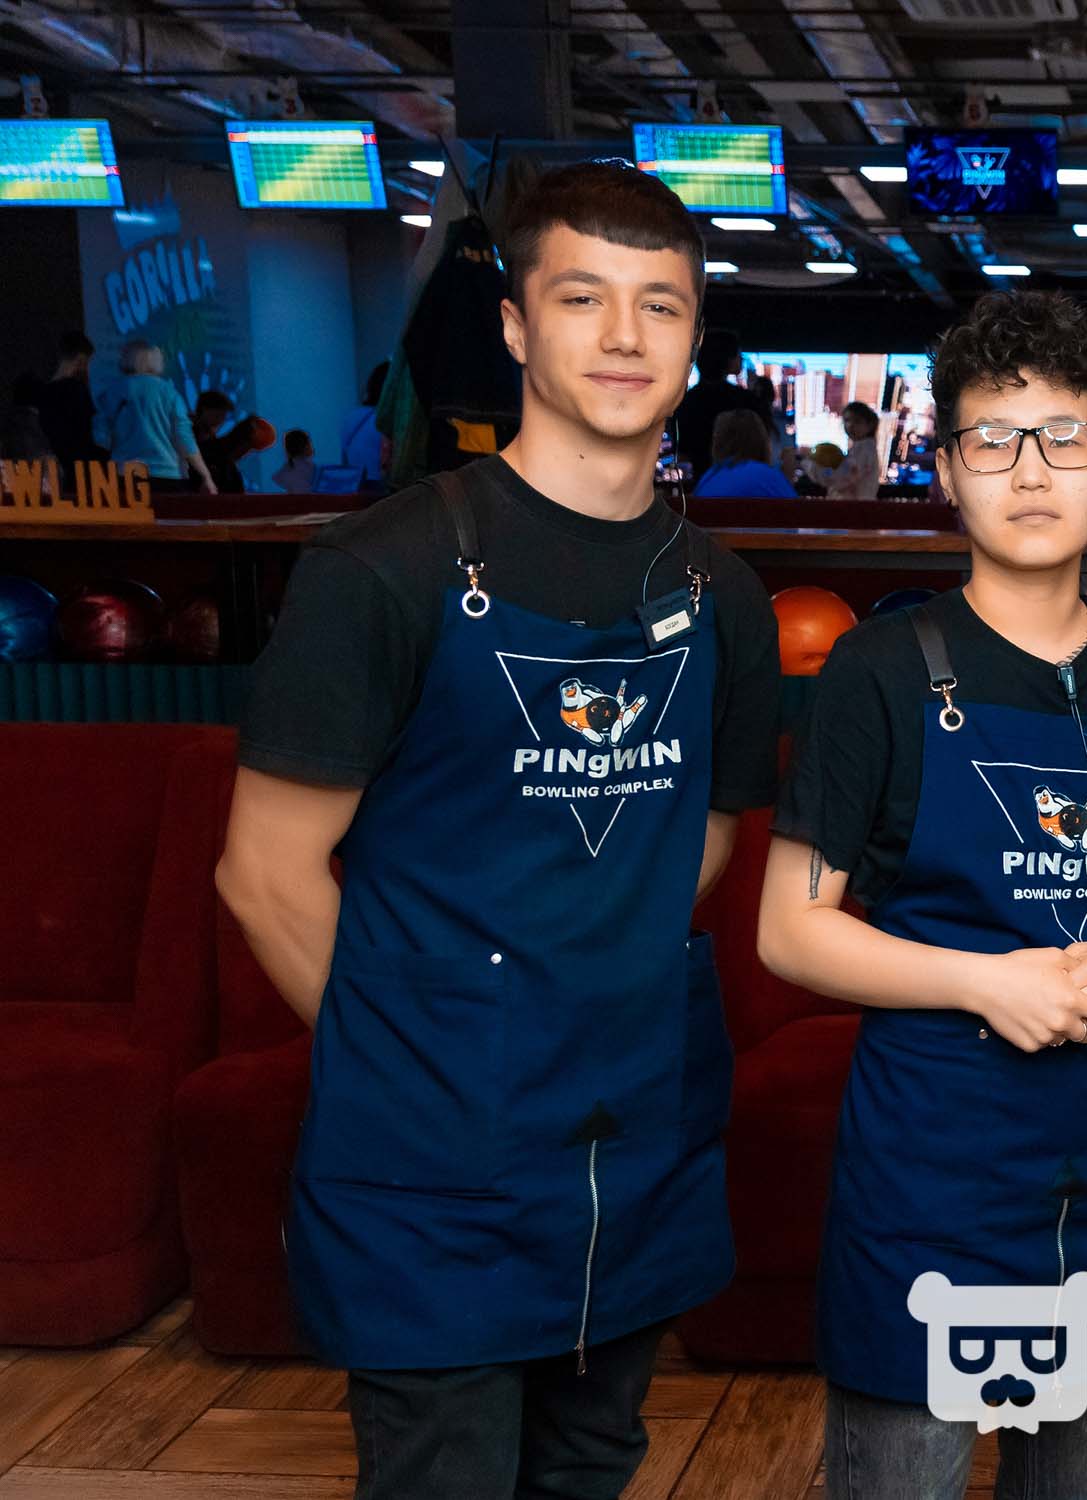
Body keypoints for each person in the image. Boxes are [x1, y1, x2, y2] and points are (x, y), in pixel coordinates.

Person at [214, 159, 781, 1500]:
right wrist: (428, 1059)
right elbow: (265, 875)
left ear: (696, 338)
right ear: (518, 326)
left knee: (592, 1461)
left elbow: (703, 839)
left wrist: (587, 999)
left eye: (660, 305)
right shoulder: (382, 570)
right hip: (431, 1165)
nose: (625, 336)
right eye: (583, 298)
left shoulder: (726, 598)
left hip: (629, 1127)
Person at [758, 290, 1087, 1500]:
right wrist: (985, 983)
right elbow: (791, 929)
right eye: (992, 440)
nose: (1030, 471)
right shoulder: (880, 671)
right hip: (936, 1168)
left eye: (1063, 436)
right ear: (948, 471)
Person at [93, 341, 216, 494]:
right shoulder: (170, 393)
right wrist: (205, 476)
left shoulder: (112, 392)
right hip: (167, 475)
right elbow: (184, 439)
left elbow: (101, 438)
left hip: (124, 475)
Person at [672, 326, 755, 483]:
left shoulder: (687, 401)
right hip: (742, 485)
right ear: (727, 358)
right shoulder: (743, 400)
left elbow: (683, 450)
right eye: (738, 354)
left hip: (702, 485)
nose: (742, 359)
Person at [30, 332, 102, 466]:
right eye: (88, 362)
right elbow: (88, 430)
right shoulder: (77, 390)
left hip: (51, 464)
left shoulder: (40, 392)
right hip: (77, 465)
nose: (88, 368)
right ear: (80, 359)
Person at [693, 408, 796, 499]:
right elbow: (796, 510)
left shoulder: (708, 478)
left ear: (718, 443)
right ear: (762, 441)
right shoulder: (768, 477)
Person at [193, 389, 259, 492]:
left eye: (224, 415)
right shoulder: (186, 434)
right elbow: (211, 453)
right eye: (218, 414)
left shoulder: (210, 439)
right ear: (204, 409)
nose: (221, 419)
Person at [819, 400, 881, 498]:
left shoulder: (864, 448)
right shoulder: (862, 447)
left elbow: (843, 478)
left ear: (869, 425)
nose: (850, 425)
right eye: (847, 420)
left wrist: (811, 464)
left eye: (857, 421)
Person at [341, 361, 390, 488]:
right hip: (380, 485)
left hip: (354, 484)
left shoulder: (352, 416)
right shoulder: (388, 418)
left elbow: (345, 457)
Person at [274, 429, 319, 493]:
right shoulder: (312, 468)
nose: (312, 447)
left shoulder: (286, 468)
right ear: (304, 447)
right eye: (309, 443)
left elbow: (278, 478)